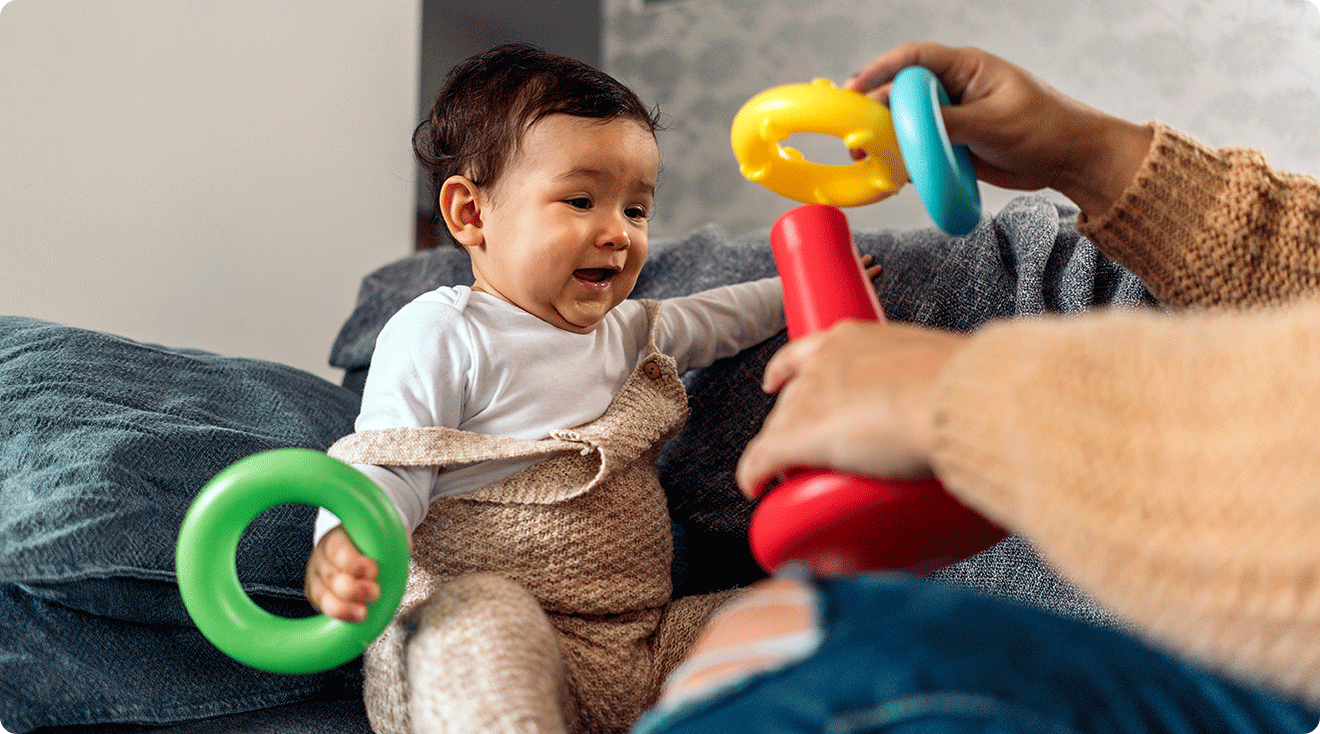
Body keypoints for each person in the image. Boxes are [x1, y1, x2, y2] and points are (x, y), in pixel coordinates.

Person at [631, 42, 1320, 734]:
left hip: (1234, 576)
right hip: (1177, 339)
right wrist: (1092, 155)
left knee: (771, 670)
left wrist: (967, 400)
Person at [301, 43, 877, 734]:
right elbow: (386, 462)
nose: (618, 234)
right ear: (470, 214)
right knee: (480, 617)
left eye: (636, 210)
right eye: (581, 200)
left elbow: (716, 319)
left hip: (637, 644)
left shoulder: (630, 334)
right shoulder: (442, 332)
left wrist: (806, 284)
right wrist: (349, 542)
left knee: (809, 615)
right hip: (484, 635)